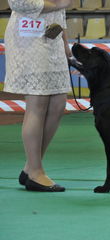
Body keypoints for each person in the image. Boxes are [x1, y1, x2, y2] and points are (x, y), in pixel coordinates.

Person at [4, 0, 73, 192]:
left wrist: (65, 43)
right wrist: (59, 4)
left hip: (54, 40)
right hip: (28, 40)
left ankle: (30, 168)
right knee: (37, 103)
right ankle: (35, 171)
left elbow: (61, 12)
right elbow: (19, 2)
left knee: (59, 103)